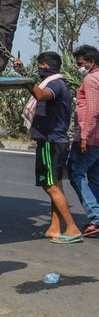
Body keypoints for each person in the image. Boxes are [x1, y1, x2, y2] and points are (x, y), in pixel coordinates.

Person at [17, 52, 82, 243]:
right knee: (56, 187)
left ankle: (72, 228)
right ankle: (54, 228)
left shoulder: (55, 84)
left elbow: (39, 94)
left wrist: (25, 78)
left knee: (50, 186)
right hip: (55, 141)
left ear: (44, 66)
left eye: (40, 66)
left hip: (50, 142)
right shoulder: (57, 82)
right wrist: (23, 73)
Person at [69, 45, 99, 237]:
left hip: (91, 137)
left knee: (76, 174)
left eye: (81, 63)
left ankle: (96, 217)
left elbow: (93, 110)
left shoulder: (91, 79)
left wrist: (84, 136)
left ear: (91, 62)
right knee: (95, 178)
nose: (79, 67)